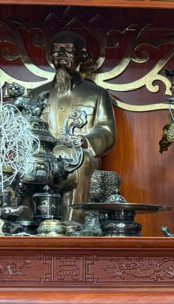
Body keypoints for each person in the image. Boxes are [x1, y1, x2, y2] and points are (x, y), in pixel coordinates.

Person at [31, 30, 116, 221]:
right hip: (43, 155)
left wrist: (83, 141)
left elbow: (106, 131)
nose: (61, 54)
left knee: (80, 161)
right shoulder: (36, 94)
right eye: (56, 50)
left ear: (82, 55)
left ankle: (74, 224)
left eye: (68, 49)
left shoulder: (97, 94)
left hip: (80, 153)